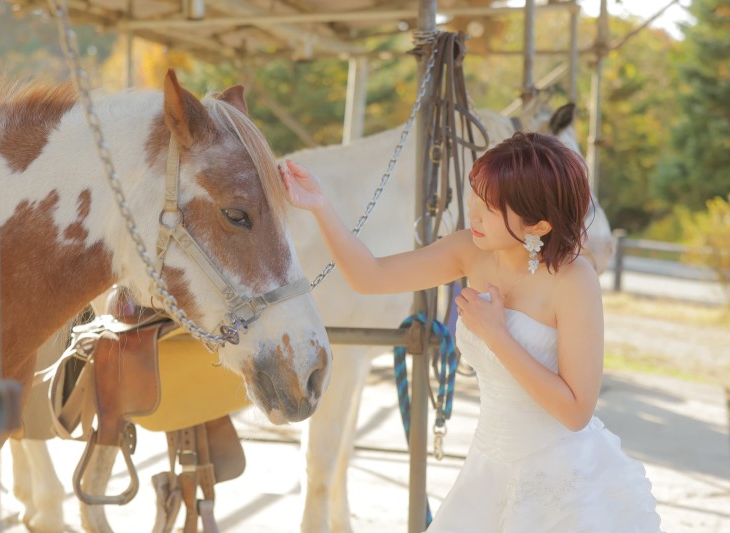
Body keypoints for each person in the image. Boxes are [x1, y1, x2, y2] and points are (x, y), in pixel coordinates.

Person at [279, 131, 662, 532]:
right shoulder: (471, 250)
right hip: (486, 470)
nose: (474, 213)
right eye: (475, 196)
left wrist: (498, 335)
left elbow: (576, 411)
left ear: (539, 223)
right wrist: (321, 206)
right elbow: (369, 275)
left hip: (561, 483)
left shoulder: (574, 280)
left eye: (491, 207)